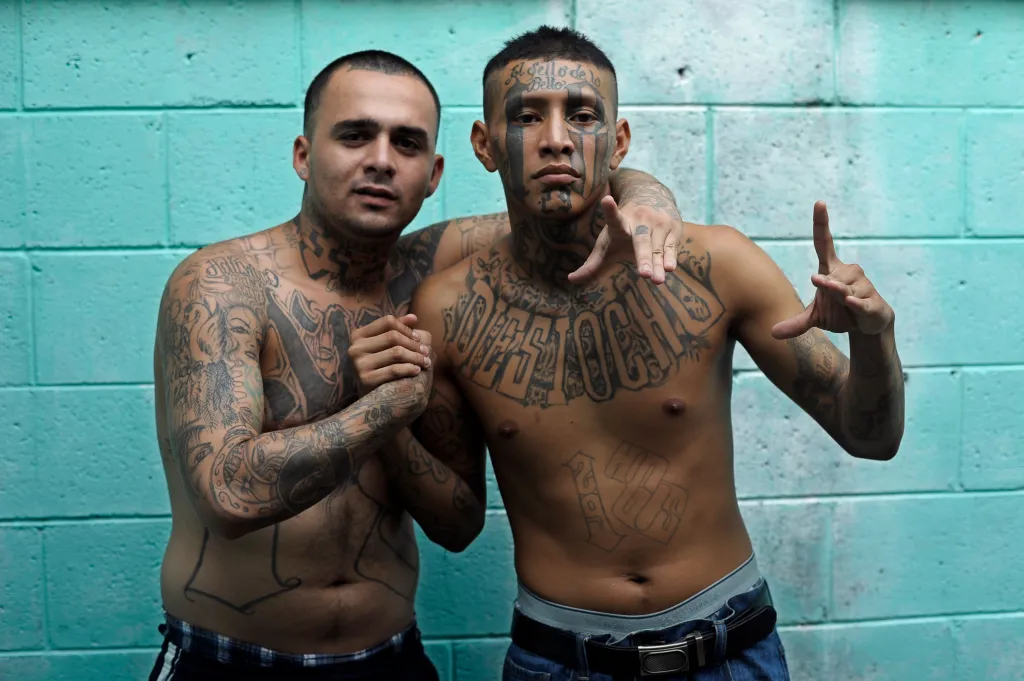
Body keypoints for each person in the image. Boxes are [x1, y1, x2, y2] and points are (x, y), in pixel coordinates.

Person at [149, 47, 690, 681]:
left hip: (390, 659)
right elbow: (228, 493)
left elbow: (573, 198)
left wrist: (649, 196)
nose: (381, 160)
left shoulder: (433, 269)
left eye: (405, 144)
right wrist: (378, 410)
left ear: (433, 173)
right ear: (303, 155)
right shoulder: (223, 285)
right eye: (355, 136)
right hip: (230, 661)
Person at [400, 26, 906, 680]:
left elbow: (872, 438)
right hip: (557, 657)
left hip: (728, 648)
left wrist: (874, 340)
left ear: (620, 141)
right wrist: (379, 419)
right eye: (528, 116)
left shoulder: (717, 264)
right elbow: (456, 523)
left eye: (583, 116)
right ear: (484, 144)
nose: (557, 138)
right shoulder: (447, 310)